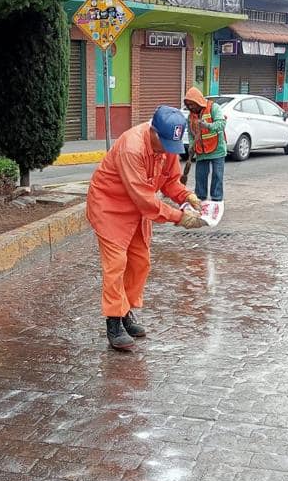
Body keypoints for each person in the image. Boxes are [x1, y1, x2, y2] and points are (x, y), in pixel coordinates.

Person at [87, 105, 206, 351]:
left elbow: (170, 182)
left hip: (138, 209)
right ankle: (113, 321)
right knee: (116, 264)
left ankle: (125, 311)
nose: (167, 150)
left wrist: (188, 197)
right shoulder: (132, 147)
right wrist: (179, 217)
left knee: (140, 262)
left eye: (171, 146)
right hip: (110, 207)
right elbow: (144, 199)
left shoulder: (168, 144)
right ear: (152, 131)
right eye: (163, 143)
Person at [183, 87, 227, 205]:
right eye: (188, 105)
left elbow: (221, 124)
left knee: (217, 176)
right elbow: (191, 133)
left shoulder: (213, 108)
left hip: (217, 148)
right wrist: (192, 146)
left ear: (198, 101)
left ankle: (217, 200)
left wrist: (207, 126)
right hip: (201, 151)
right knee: (200, 176)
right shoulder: (190, 117)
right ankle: (200, 199)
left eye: (192, 104)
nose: (191, 107)